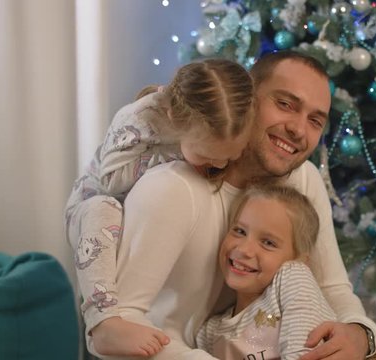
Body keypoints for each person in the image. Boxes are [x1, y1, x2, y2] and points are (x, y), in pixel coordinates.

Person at [95, 51, 376, 360]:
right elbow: (120, 320)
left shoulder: (302, 179)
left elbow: (333, 287)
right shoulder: (172, 188)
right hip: (185, 353)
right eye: (286, 104)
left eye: (315, 120)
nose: (297, 129)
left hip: (272, 346)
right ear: (249, 101)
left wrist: (359, 334)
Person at [64, 58, 254, 357]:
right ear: (175, 123)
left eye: (230, 158)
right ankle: (103, 324)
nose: (218, 165)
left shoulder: (219, 126)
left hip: (131, 221)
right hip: (93, 212)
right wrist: (173, 155)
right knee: (101, 208)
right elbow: (111, 181)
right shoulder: (137, 119)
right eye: (208, 156)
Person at [196, 184, 339, 360]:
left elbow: (306, 354)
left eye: (268, 243)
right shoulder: (210, 334)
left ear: (299, 260)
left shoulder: (294, 277)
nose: (244, 250)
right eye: (240, 231)